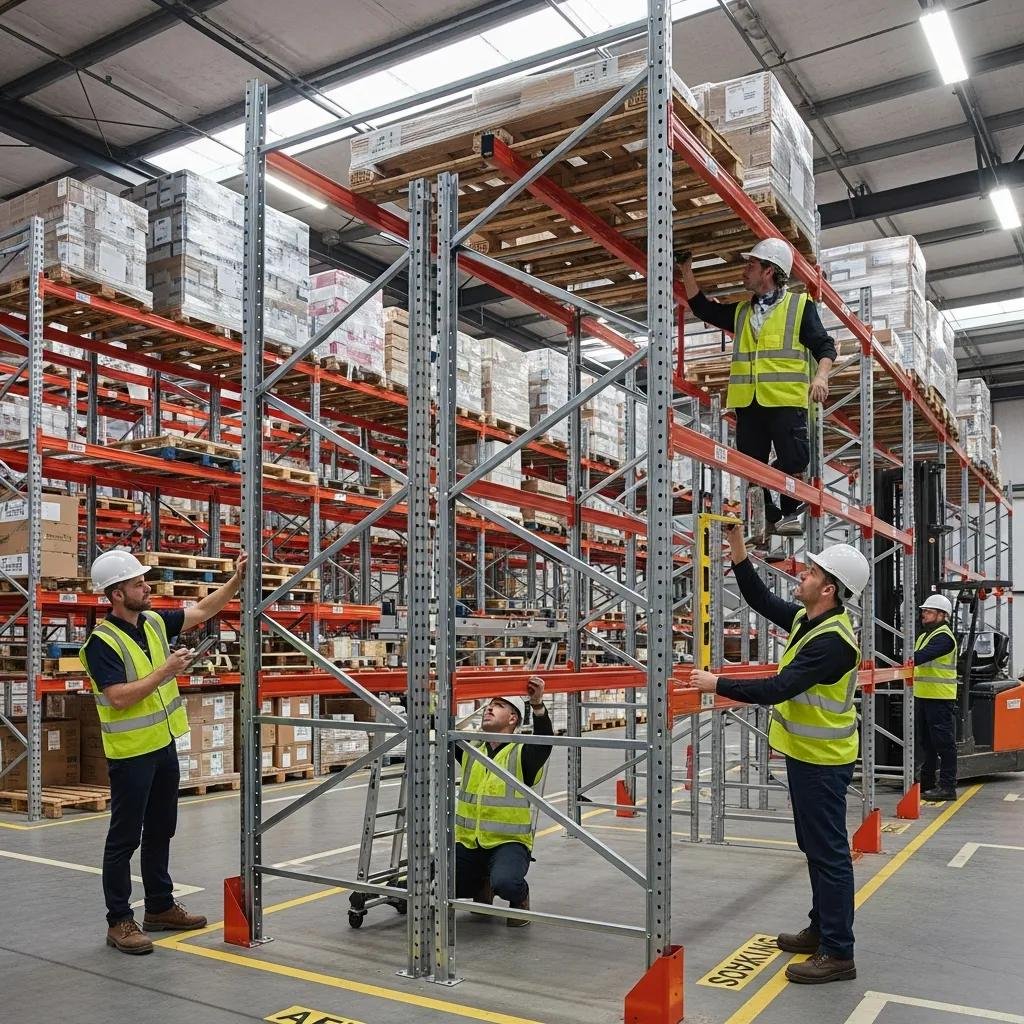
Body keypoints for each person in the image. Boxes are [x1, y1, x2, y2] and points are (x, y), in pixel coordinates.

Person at [692, 524, 868, 984]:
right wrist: (735, 548)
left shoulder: (833, 642)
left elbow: (780, 687)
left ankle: (838, 952)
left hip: (823, 760)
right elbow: (759, 599)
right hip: (805, 753)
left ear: (828, 589)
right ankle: (821, 928)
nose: (800, 576)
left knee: (829, 853)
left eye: (809, 572)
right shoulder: (808, 621)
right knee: (813, 847)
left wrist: (719, 685)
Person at [81, 547, 247, 955]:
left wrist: (237, 580)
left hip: (163, 746)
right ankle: (119, 920)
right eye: (138, 583)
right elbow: (118, 698)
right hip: (131, 753)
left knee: (161, 829)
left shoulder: (153, 621)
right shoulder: (101, 642)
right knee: (124, 839)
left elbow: (201, 611)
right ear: (117, 594)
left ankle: (158, 905)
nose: (147, 586)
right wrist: (166, 671)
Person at [678, 239, 837, 548]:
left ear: (769, 272)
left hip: (784, 399)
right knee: (750, 468)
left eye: (750, 266)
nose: (744, 271)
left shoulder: (799, 307)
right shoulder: (741, 312)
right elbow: (702, 308)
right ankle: (772, 516)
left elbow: (824, 345)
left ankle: (789, 511)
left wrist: (821, 376)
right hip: (748, 402)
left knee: (795, 458)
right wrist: (686, 269)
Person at [455, 675, 551, 927]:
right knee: (441, 883)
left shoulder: (523, 753)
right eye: (489, 704)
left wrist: (538, 706)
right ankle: (482, 884)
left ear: (512, 719)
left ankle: (519, 897)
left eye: (498, 705)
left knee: (506, 884)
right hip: (469, 842)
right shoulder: (472, 749)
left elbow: (545, 742)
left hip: (508, 843)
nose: (488, 708)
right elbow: (438, 725)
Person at [913, 593, 959, 802]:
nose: (924, 614)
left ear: (943, 615)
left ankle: (948, 787)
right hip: (923, 696)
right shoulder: (925, 635)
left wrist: (893, 661)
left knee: (943, 744)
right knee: (927, 743)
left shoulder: (944, 638)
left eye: (929, 611)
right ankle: (928, 782)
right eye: (924, 611)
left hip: (939, 698)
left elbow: (920, 657)